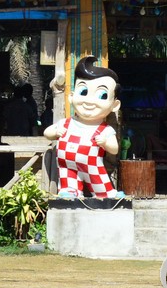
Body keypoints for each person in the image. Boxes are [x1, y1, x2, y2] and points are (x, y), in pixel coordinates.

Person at [43, 56, 124, 199]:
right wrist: (55, 132)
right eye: (83, 92)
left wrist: (105, 143)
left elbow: (114, 149)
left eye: (102, 95)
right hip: (67, 166)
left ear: (114, 105)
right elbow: (47, 133)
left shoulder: (105, 129)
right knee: (69, 184)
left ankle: (105, 194)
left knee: (99, 183)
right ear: (71, 96)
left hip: (92, 166)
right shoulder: (66, 123)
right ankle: (69, 191)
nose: (89, 101)